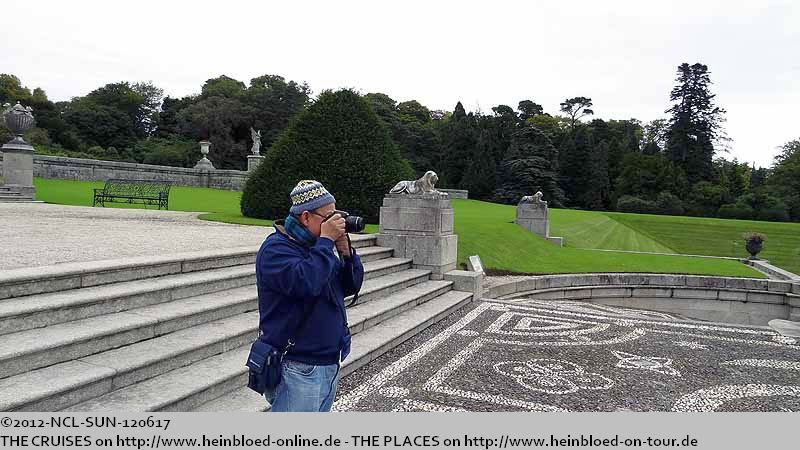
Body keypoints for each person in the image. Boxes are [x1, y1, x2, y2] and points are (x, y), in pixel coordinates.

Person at [255, 180, 364, 412]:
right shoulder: (276, 249)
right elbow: (306, 284)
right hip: (297, 365)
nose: (336, 221)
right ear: (305, 217)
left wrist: (346, 254)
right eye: (329, 216)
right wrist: (325, 242)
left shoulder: (318, 248)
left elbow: (350, 287)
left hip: (328, 361)